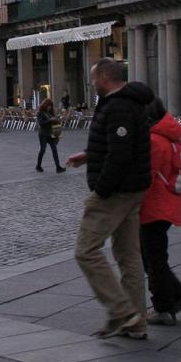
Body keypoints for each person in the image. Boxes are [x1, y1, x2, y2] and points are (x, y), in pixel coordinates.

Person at [64, 59, 153, 340]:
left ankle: (121, 311)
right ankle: (136, 322)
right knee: (128, 256)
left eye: (93, 79)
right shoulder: (128, 103)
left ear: (104, 77)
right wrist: (89, 155)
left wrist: (101, 191)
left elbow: (120, 154)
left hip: (116, 191)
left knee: (86, 250)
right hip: (132, 188)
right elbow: (119, 144)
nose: (92, 84)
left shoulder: (119, 106)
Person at [140, 96, 181, 327]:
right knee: (153, 256)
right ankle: (177, 296)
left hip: (155, 205)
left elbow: (146, 175)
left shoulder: (154, 140)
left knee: (153, 259)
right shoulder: (170, 136)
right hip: (169, 201)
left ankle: (163, 306)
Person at [36, 98, 65, 174]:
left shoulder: (50, 113)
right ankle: (38, 166)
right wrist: (50, 120)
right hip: (43, 134)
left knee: (54, 150)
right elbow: (41, 123)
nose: (49, 107)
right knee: (43, 150)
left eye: (51, 106)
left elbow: (53, 122)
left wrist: (57, 120)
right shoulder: (40, 113)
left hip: (51, 134)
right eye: (48, 106)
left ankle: (58, 167)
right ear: (45, 105)